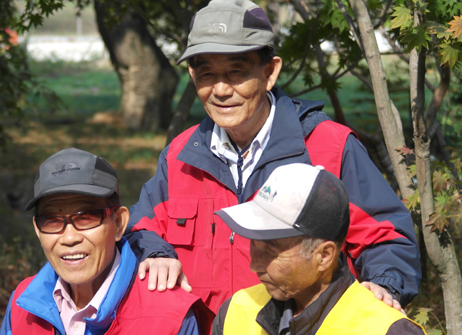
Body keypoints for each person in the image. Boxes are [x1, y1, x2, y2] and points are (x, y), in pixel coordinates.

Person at [125, 0, 421, 315]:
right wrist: (155, 254)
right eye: (208, 74)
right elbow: (142, 226)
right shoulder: (179, 156)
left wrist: (384, 285)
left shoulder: (328, 147)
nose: (221, 89)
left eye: (236, 72)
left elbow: (388, 238)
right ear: (192, 75)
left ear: (270, 72)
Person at [0, 148, 212, 335]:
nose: (70, 238)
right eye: (52, 221)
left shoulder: (170, 316)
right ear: (37, 229)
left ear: (119, 224)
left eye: (86, 217)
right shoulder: (23, 302)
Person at [213, 163, 426, 335]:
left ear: (324, 256)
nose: (254, 265)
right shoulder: (236, 311)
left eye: (271, 251)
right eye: (253, 243)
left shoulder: (387, 330)